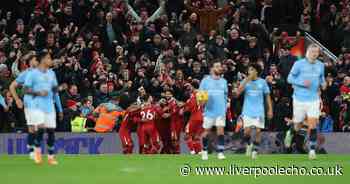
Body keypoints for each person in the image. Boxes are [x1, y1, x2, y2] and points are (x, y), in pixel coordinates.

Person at [23, 50, 63, 165]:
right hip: (37, 105)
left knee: (51, 131)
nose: (51, 60)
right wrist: (38, 92)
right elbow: (25, 89)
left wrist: (60, 88)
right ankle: (37, 154)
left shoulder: (51, 73)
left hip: (49, 106)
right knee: (40, 129)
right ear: (43, 59)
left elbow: (54, 89)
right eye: (49, 58)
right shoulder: (32, 74)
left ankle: (50, 157)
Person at [287, 44, 326, 160]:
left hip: (313, 99)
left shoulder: (321, 65)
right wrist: (302, 82)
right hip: (299, 99)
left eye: (316, 52)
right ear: (307, 52)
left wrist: (323, 83)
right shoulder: (299, 64)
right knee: (297, 125)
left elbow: (321, 78)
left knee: (312, 124)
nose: (315, 54)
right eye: (313, 51)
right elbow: (289, 78)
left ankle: (312, 150)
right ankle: (291, 133)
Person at [236, 63, 273, 159]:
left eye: (252, 69)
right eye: (249, 70)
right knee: (247, 132)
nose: (250, 72)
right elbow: (237, 93)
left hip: (259, 111)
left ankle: (255, 151)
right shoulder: (245, 81)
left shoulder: (262, 82)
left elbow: (267, 96)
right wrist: (246, 80)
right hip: (247, 110)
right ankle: (249, 144)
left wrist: (270, 110)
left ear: (256, 71)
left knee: (258, 131)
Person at [9, 52, 38, 160]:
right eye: (35, 59)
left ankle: (31, 146)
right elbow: (12, 86)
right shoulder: (25, 74)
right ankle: (32, 149)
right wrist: (17, 100)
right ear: (30, 62)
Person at [199, 61, 228, 160]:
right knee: (206, 132)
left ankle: (220, 152)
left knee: (221, 131)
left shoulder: (224, 81)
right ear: (212, 69)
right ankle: (204, 150)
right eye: (217, 66)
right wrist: (203, 101)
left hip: (221, 111)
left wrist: (226, 106)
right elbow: (201, 99)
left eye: (220, 66)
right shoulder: (205, 81)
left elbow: (225, 96)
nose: (219, 68)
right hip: (209, 111)